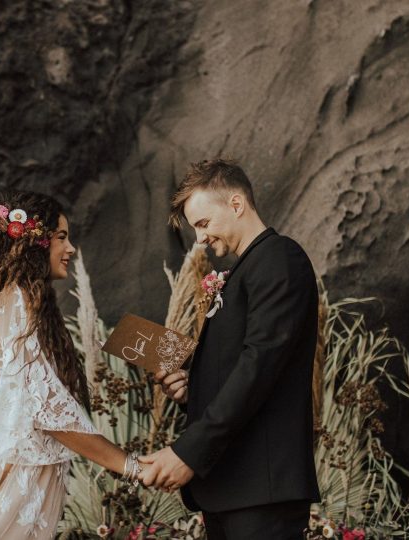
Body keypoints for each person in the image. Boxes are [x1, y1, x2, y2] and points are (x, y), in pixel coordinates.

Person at [0, 190, 147, 539]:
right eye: (61, 237)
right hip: (12, 489)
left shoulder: (23, 301)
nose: (71, 248)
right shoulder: (16, 298)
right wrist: (130, 465)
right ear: (35, 242)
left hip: (23, 483)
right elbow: (44, 406)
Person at [139, 159, 321, 539]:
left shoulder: (278, 259)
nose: (200, 239)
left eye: (203, 224)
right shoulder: (247, 268)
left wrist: (188, 451)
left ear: (236, 204)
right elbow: (242, 367)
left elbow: (260, 366)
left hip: (261, 490)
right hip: (234, 487)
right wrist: (193, 389)